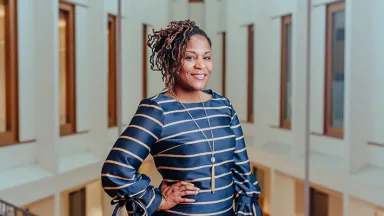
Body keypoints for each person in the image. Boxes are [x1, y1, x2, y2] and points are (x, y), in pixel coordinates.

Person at [101, 19, 263, 216]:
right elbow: (116, 169)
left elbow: (242, 174)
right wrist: (158, 200)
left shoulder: (223, 106)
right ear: (171, 62)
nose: (201, 65)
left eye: (207, 57)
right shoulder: (156, 110)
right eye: (189, 57)